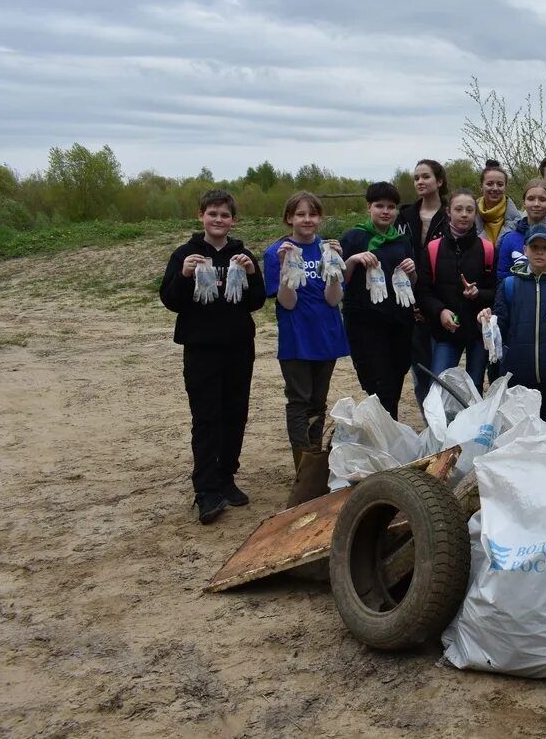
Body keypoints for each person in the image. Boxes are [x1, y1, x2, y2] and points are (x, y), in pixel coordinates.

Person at [159, 189, 265, 524]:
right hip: (201, 349)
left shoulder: (242, 254)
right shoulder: (185, 254)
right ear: (200, 216)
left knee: (235, 415)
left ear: (233, 220)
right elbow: (171, 300)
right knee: (207, 418)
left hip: (238, 348)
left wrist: (250, 274)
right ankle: (206, 491)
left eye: (224, 215)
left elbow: (257, 301)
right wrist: (185, 276)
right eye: (212, 214)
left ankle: (226, 477)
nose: (218, 220)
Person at [263, 191, 351, 507]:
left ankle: (314, 460)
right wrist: (286, 267)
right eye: (300, 214)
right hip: (297, 338)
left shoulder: (326, 249)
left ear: (320, 219)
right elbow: (287, 302)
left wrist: (335, 270)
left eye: (312, 214)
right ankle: (303, 468)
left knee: (318, 400)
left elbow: (332, 298)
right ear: (290, 218)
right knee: (299, 401)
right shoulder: (277, 251)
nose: (307, 220)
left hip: (326, 335)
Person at [484, 223, 546, 419]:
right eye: (534, 247)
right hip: (517, 380)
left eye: (545, 248)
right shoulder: (509, 285)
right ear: (524, 250)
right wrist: (488, 322)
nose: (540, 252)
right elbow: (500, 330)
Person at [339, 181, 418, 420]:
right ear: (368, 208)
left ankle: (386, 430)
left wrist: (412, 270)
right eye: (379, 206)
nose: (385, 211)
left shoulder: (402, 241)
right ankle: (384, 437)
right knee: (379, 384)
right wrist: (352, 260)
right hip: (365, 324)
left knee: (394, 383)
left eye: (391, 207)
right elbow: (338, 282)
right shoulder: (353, 237)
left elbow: (410, 284)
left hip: (399, 323)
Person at [417, 190, 496, 395]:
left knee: (475, 386)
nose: (464, 214)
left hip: (477, 331)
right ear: (448, 212)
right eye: (458, 209)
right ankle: (443, 427)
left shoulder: (487, 249)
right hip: (446, 331)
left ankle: (471, 426)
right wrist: (440, 311)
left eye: (469, 210)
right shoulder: (433, 249)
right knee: (440, 385)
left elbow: (496, 290)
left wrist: (478, 293)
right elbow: (423, 291)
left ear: (475, 214)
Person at [397, 159, 448, 407]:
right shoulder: (405, 215)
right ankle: (429, 422)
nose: (420, 182)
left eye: (425, 177)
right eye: (416, 177)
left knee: (441, 363)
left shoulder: (451, 213)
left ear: (439, 181)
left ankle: (444, 420)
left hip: (440, 296)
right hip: (408, 295)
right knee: (419, 365)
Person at [495, 178, 546, 282]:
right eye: (531, 199)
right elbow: (502, 279)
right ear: (524, 203)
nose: (536, 204)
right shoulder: (509, 239)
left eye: (542, 199)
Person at [475, 159, 520, 245]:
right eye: (490, 184)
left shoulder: (520, 221)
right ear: (481, 186)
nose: (495, 188)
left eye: (500, 184)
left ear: (505, 187)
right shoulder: (467, 218)